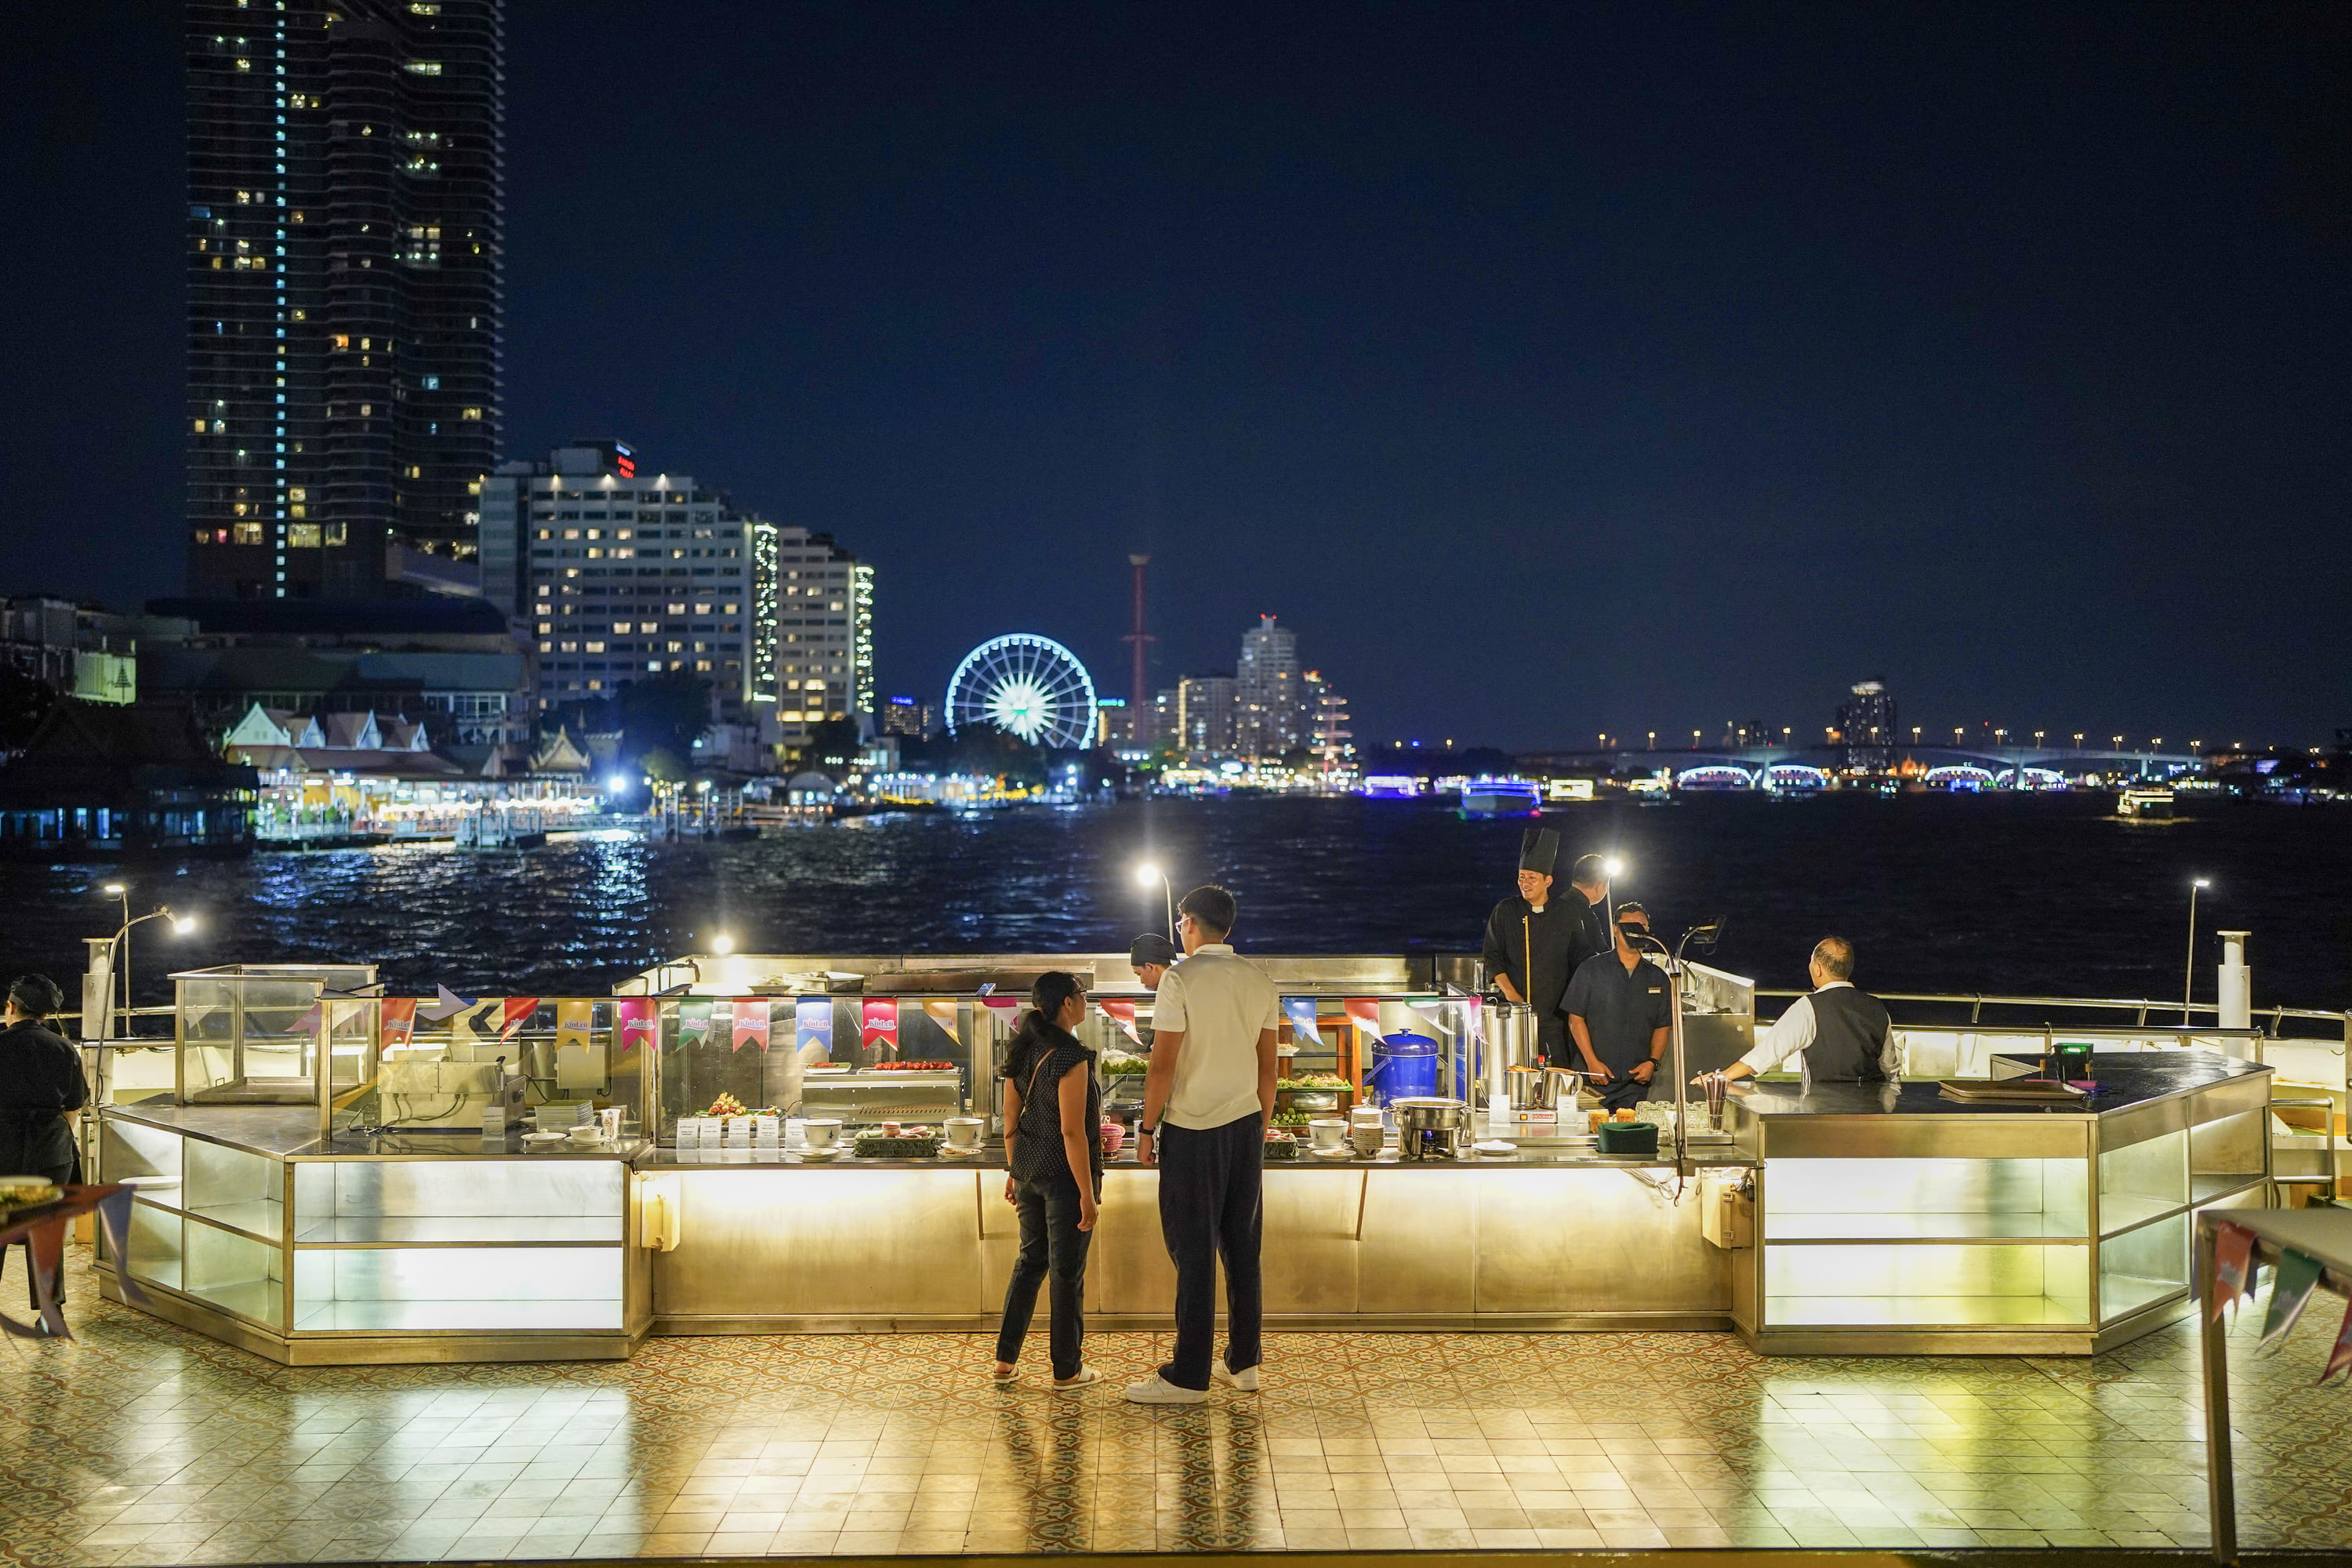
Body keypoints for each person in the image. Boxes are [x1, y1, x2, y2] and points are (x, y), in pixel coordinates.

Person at [1127, 884, 1279, 1404]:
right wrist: (1259, 1125)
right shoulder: (1259, 980)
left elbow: (1162, 1065)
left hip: (1192, 1130)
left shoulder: (1179, 979)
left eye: (1179, 923)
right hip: (1245, 1126)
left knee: (1193, 1253)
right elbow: (1269, 1068)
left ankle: (1188, 1375)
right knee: (1243, 1249)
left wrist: (1146, 1130)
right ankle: (1242, 1362)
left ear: (1190, 922)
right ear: (1228, 928)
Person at [991, 971, 1103, 1388]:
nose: (1085, 1000)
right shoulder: (1069, 1057)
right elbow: (1072, 1132)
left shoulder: (1023, 1050)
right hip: (1064, 1179)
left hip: (1028, 1174)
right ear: (1067, 1004)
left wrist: (1014, 1168)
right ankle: (1067, 1369)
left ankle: (1005, 1361)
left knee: (1030, 1263)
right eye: (1082, 994)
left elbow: (1010, 1119)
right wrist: (1087, 1195)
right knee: (1065, 1273)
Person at [1479, 829, 1601, 1068]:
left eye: (1532, 877)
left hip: (1556, 1019)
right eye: (1521, 877)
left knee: (1558, 1074)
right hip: (1514, 1016)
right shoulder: (1505, 911)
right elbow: (1492, 957)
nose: (1525, 883)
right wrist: (1513, 997)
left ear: (1548, 881)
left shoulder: (1566, 913)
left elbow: (1581, 956)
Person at [0, 975, 87, 1310]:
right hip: (52, 1152)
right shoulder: (64, 1048)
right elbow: (73, 1106)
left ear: (12, 1008)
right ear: (45, 1016)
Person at [1708, 936, 1895, 1090]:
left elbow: (1768, 1053)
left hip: (1824, 1113)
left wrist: (1722, 1076)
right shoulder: (1877, 1007)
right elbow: (1890, 1071)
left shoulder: (1809, 1007)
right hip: (1872, 1114)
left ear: (1818, 969)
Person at [1563, 903, 1673, 1112]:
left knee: (1627, 1139)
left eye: (1642, 925)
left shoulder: (1658, 977)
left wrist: (1652, 1062)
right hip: (1592, 1081)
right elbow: (1575, 1020)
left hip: (1634, 1084)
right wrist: (1592, 1063)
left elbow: (1663, 1025)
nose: (1637, 931)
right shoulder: (1591, 969)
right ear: (1615, 929)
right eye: (1630, 926)